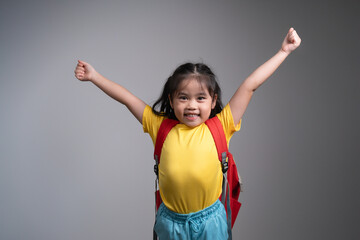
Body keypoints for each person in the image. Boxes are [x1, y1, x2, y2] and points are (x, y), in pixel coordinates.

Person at [74, 28, 301, 240]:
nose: (192, 105)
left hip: (210, 222)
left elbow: (250, 85)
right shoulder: (159, 126)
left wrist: (283, 51)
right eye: (183, 97)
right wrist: (95, 76)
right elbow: (127, 98)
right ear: (171, 100)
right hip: (170, 223)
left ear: (213, 101)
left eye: (200, 98)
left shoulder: (221, 126)